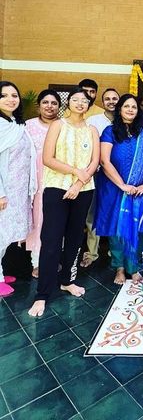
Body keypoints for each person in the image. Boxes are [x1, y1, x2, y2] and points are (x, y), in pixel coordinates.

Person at [28, 87, 100, 317]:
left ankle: (67, 281)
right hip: (56, 188)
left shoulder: (92, 130)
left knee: (75, 237)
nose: (80, 103)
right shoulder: (58, 125)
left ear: (89, 105)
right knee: (51, 239)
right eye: (75, 99)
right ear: (68, 103)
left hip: (84, 189)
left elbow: (95, 162)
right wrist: (75, 172)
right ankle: (42, 294)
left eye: (84, 100)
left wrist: (78, 184)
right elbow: (47, 158)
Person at [95, 94, 143, 285]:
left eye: (134, 107)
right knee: (117, 228)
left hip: (139, 190)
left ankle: (133, 267)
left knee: (139, 228)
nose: (130, 110)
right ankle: (120, 268)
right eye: (126, 106)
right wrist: (122, 185)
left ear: (138, 111)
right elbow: (104, 161)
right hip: (114, 187)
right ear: (120, 109)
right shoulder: (110, 131)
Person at [0, 81, 37, 297]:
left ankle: (1, 272)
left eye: (14, 95)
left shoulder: (16, 124)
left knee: (7, 235)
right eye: (4, 95)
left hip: (18, 190)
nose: (10, 99)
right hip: (4, 191)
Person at [80, 88, 120, 269]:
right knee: (92, 213)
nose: (111, 101)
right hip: (96, 173)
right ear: (102, 102)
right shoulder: (93, 121)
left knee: (115, 212)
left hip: (118, 175)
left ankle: (115, 251)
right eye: (107, 99)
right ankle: (92, 252)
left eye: (114, 99)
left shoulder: (125, 120)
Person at [26, 89, 61, 278]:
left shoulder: (64, 126)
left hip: (58, 180)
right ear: (38, 105)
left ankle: (53, 259)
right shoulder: (28, 126)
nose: (49, 106)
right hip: (34, 182)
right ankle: (37, 262)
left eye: (54, 103)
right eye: (45, 102)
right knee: (38, 220)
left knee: (56, 221)